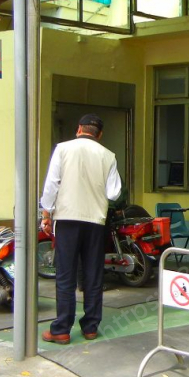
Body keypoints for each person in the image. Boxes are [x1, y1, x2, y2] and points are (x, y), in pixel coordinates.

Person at [40, 114, 123, 344]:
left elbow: (51, 184)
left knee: (65, 275)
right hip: (95, 221)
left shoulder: (63, 149)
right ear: (100, 134)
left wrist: (46, 214)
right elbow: (114, 193)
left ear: (79, 129)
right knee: (93, 275)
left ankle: (61, 329)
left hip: (67, 219)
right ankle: (90, 327)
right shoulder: (108, 156)